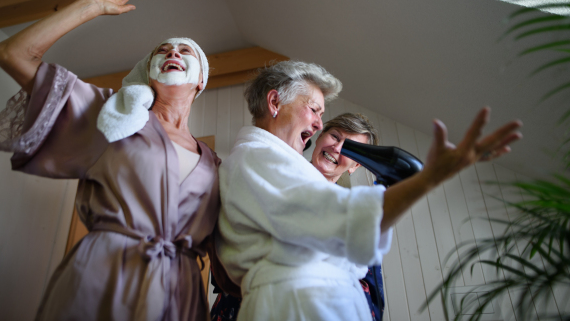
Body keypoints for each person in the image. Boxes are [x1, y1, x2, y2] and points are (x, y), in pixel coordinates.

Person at [0, 0, 220, 320]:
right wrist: (90, 6)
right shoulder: (114, 113)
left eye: (185, 51)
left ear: (201, 80)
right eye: (163, 50)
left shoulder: (215, 163)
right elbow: (12, 53)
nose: (173, 52)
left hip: (180, 295)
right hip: (104, 277)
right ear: (148, 73)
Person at [216, 61, 522, 321]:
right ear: (274, 102)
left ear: (356, 167)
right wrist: (429, 179)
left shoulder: (280, 165)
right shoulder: (259, 157)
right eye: (314, 110)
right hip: (299, 305)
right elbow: (341, 221)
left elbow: (357, 253)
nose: (319, 124)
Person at [210, 112, 385, 321]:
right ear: (319, 137)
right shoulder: (270, 173)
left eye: (351, 149)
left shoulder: (356, 215)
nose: (337, 148)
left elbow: (371, 298)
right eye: (335, 136)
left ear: (355, 166)